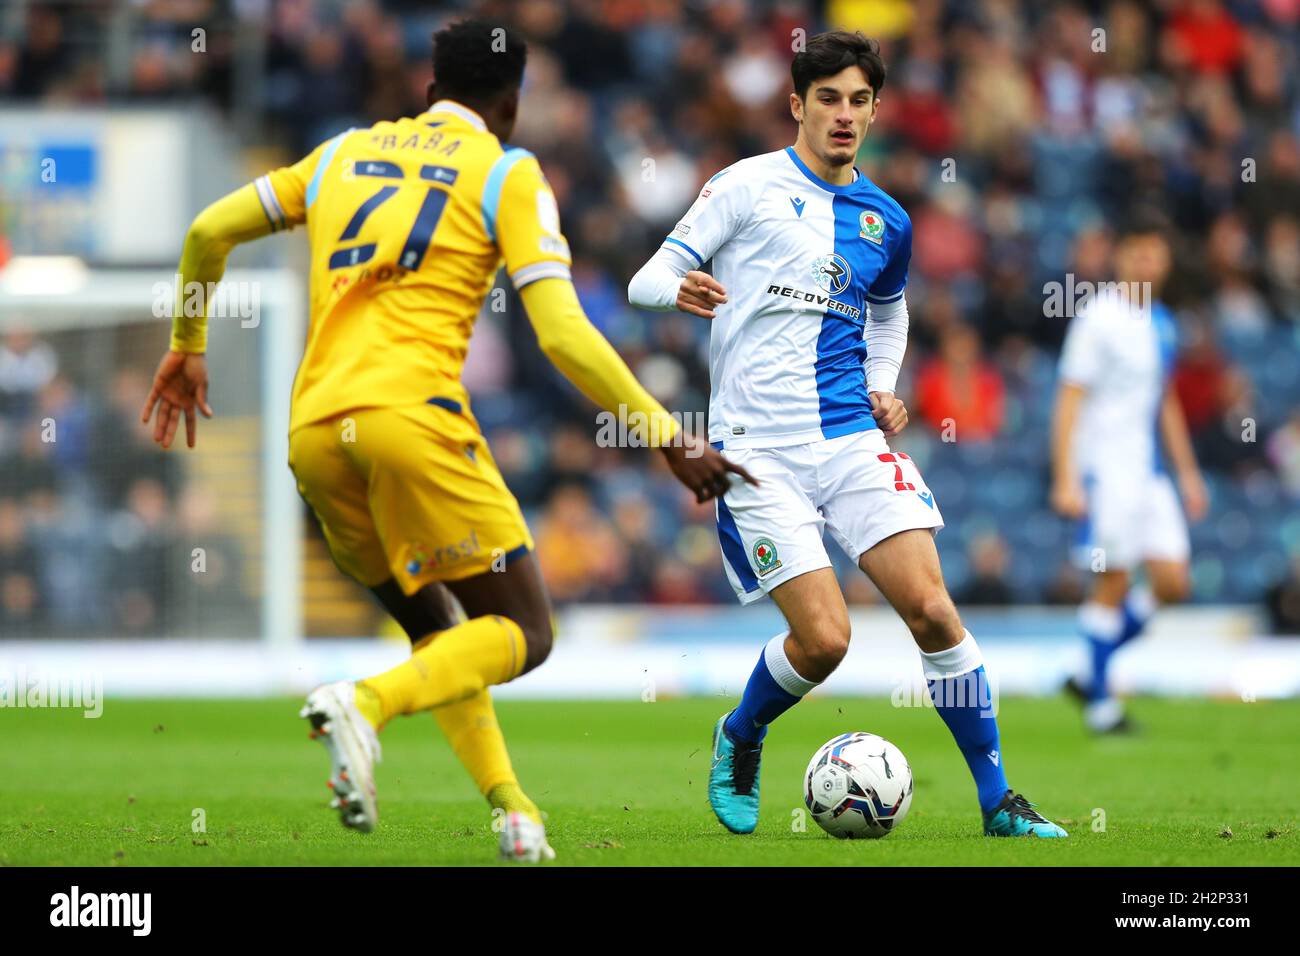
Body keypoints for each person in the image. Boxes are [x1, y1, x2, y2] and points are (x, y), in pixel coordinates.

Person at [141, 18, 751, 862]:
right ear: (510, 106)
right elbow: (564, 333)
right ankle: (365, 704)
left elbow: (207, 232)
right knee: (527, 632)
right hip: (411, 420)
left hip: (315, 433)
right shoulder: (507, 171)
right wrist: (666, 435)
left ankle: (512, 810)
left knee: (440, 633)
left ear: (428, 92)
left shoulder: (340, 153)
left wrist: (188, 345)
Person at [628, 30, 1067, 838]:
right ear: (797, 104)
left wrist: (882, 385)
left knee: (934, 610)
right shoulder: (744, 186)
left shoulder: (886, 218)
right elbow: (646, 274)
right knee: (825, 640)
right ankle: (743, 731)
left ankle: (999, 801)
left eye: (859, 100)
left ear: (874, 110)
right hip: (753, 452)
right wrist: (677, 290)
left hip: (850, 438)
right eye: (827, 97)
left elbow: (890, 312)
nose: (843, 114)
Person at [1051, 218, 1207, 733]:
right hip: (1107, 470)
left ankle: (1084, 671)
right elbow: (1069, 399)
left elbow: (1166, 404)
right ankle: (1103, 709)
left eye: (1154, 255)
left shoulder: (1161, 322)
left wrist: (1188, 475)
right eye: (1137, 253)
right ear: (1121, 258)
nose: (1146, 264)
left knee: (1172, 580)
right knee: (1113, 582)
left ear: (1164, 262)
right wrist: (1067, 477)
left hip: (1150, 472)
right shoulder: (1099, 318)